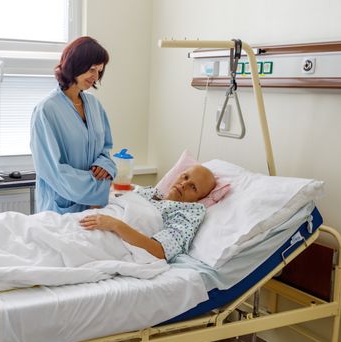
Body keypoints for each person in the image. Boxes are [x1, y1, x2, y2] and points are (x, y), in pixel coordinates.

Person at [30, 36, 117, 214]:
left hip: (94, 208)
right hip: (61, 207)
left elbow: (105, 149)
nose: (96, 77)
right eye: (92, 69)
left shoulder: (94, 105)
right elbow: (53, 170)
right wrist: (98, 186)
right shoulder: (46, 110)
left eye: (99, 71)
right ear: (74, 65)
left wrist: (105, 166)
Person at [80, 164, 216, 261]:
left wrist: (116, 225)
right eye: (185, 177)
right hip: (87, 224)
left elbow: (160, 251)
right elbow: (106, 209)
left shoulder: (188, 214)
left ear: (199, 199)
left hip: (108, 241)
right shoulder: (149, 191)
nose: (184, 184)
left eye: (193, 187)